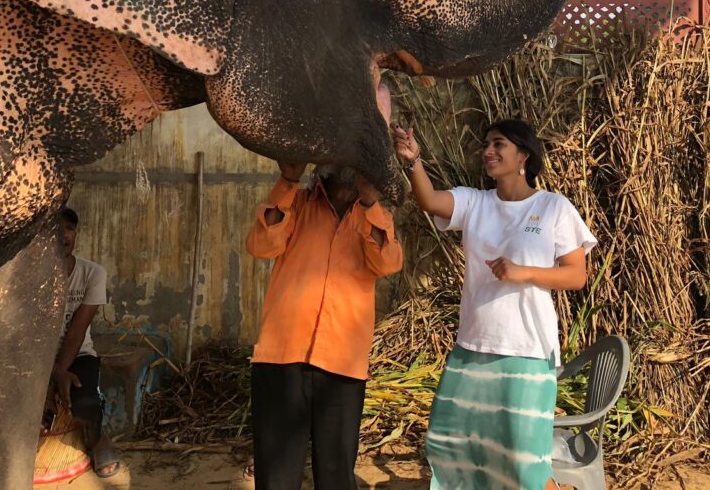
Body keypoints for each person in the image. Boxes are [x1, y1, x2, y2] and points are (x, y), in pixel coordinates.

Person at [393, 118, 596, 490]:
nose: (488, 151)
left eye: (499, 144)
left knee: (523, 463)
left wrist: (523, 272)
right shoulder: (475, 202)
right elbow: (429, 200)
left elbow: (576, 275)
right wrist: (413, 160)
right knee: (454, 447)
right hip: (473, 346)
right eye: (486, 144)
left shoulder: (554, 207)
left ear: (523, 155)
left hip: (527, 351)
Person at [246, 147, 403, 490]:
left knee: (335, 477)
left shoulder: (374, 216)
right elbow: (261, 246)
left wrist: (369, 202)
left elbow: (387, 264)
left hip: (342, 365)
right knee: (276, 476)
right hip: (281, 357)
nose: (348, 163)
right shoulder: (298, 203)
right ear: (322, 165)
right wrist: (287, 181)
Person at [46, 206, 121, 479]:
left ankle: (97, 439)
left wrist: (59, 371)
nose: (62, 235)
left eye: (69, 229)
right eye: (55, 229)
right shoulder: (29, 277)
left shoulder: (92, 273)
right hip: (35, 359)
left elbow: (78, 329)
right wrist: (50, 372)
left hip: (78, 353)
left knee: (86, 400)